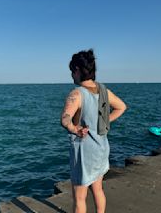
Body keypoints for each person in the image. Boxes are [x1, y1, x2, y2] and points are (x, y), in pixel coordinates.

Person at [61, 49, 126, 213]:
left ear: (77, 70)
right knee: (98, 189)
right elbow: (121, 107)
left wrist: (74, 129)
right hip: (102, 149)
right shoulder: (104, 90)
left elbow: (65, 118)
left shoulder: (76, 94)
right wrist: (105, 121)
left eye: (72, 71)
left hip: (85, 153)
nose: (71, 76)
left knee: (80, 198)